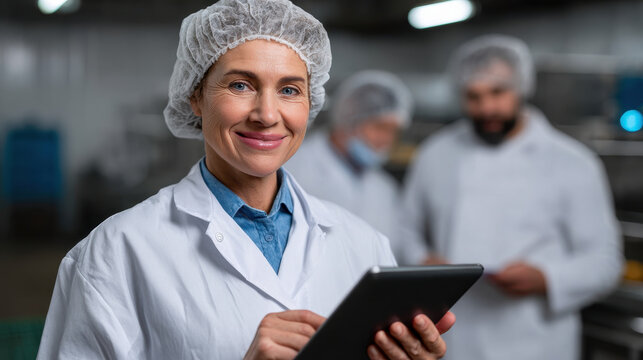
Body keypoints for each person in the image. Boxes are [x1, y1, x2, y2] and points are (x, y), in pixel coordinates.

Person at [37, 1, 455, 359]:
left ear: (312, 103)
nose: (267, 114)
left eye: (290, 90)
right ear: (195, 96)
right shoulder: (115, 253)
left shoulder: (365, 244)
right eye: (241, 85)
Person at [400, 34, 623, 360]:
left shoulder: (572, 162)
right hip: (452, 339)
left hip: (536, 342)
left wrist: (547, 278)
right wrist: (423, 261)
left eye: (497, 93)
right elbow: (404, 229)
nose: (487, 107)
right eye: (473, 96)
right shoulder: (436, 154)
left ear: (521, 89)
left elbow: (605, 261)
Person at [286, 70, 420, 262]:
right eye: (379, 127)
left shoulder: (384, 188)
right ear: (348, 120)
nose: (387, 140)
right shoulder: (294, 166)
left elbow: (393, 250)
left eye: (393, 131)